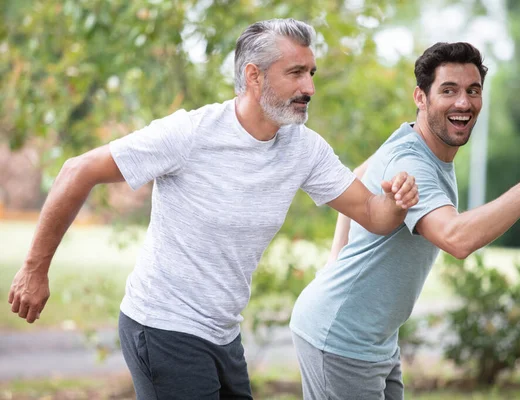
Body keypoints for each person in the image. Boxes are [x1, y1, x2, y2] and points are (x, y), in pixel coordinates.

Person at [7, 19, 419, 399]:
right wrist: (34, 269)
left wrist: (397, 201)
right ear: (254, 77)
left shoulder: (303, 148)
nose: (309, 87)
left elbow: (373, 214)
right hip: (162, 326)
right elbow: (76, 170)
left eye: (311, 73)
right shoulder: (191, 134)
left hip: (222, 334)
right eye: (296, 73)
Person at [290, 41, 520, 400]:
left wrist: (334, 259)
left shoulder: (416, 142)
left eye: (473, 90)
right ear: (421, 97)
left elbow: (358, 172)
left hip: (375, 340)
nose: (464, 102)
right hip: (339, 340)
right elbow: (456, 239)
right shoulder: (411, 161)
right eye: (449, 90)